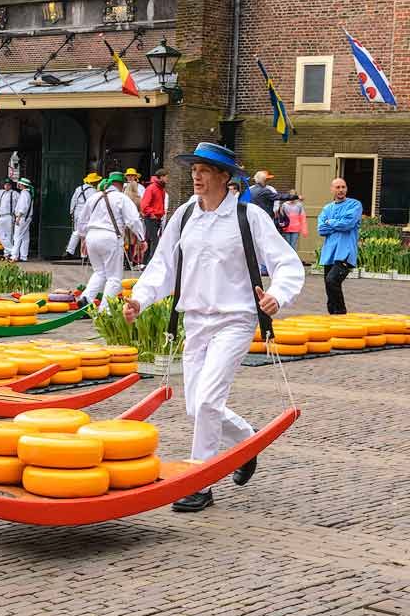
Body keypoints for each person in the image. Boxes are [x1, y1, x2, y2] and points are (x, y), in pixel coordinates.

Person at [123, 143, 304, 512]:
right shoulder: (186, 215)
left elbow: (286, 263)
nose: (197, 176)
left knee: (207, 400)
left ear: (225, 177)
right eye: (194, 169)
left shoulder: (248, 217)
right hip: (195, 321)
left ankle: (199, 481)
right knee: (196, 407)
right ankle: (245, 442)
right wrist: (140, 298)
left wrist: (277, 296)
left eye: (204, 170)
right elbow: (162, 266)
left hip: (235, 320)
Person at [76, 171, 147, 311]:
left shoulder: (94, 197)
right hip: (110, 237)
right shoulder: (122, 198)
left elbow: (81, 221)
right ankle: (105, 310)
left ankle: (86, 298)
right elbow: (133, 221)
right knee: (114, 278)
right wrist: (141, 238)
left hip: (92, 237)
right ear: (121, 185)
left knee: (99, 272)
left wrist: (83, 238)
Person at [318, 177, 362, 315]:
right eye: (337, 187)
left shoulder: (355, 205)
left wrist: (331, 222)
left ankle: (341, 314)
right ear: (332, 189)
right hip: (329, 254)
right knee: (329, 288)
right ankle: (332, 317)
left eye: (343, 187)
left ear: (346, 189)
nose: (341, 190)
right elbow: (321, 229)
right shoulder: (327, 208)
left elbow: (348, 224)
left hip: (345, 253)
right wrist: (338, 224)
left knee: (332, 280)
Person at [65, 172, 101, 257]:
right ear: (94, 182)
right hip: (86, 213)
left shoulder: (78, 188)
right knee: (86, 234)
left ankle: (70, 250)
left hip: (77, 211)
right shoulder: (93, 191)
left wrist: (72, 212)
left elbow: (73, 201)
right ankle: (83, 255)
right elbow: (93, 204)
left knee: (77, 232)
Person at [139, 168, 169, 265]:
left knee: (150, 240)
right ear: (161, 177)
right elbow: (144, 205)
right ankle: (151, 263)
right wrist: (152, 214)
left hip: (156, 218)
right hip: (152, 218)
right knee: (154, 241)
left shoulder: (161, 189)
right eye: (166, 176)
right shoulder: (152, 188)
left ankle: (145, 262)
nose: (167, 179)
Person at [11, 177, 34, 262]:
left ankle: (14, 256)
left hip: (22, 218)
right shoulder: (27, 193)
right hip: (26, 218)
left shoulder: (24, 194)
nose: (18, 184)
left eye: (19, 183)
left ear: (22, 185)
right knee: (25, 238)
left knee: (17, 236)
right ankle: (24, 256)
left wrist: (18, 217)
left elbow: (23, 207)